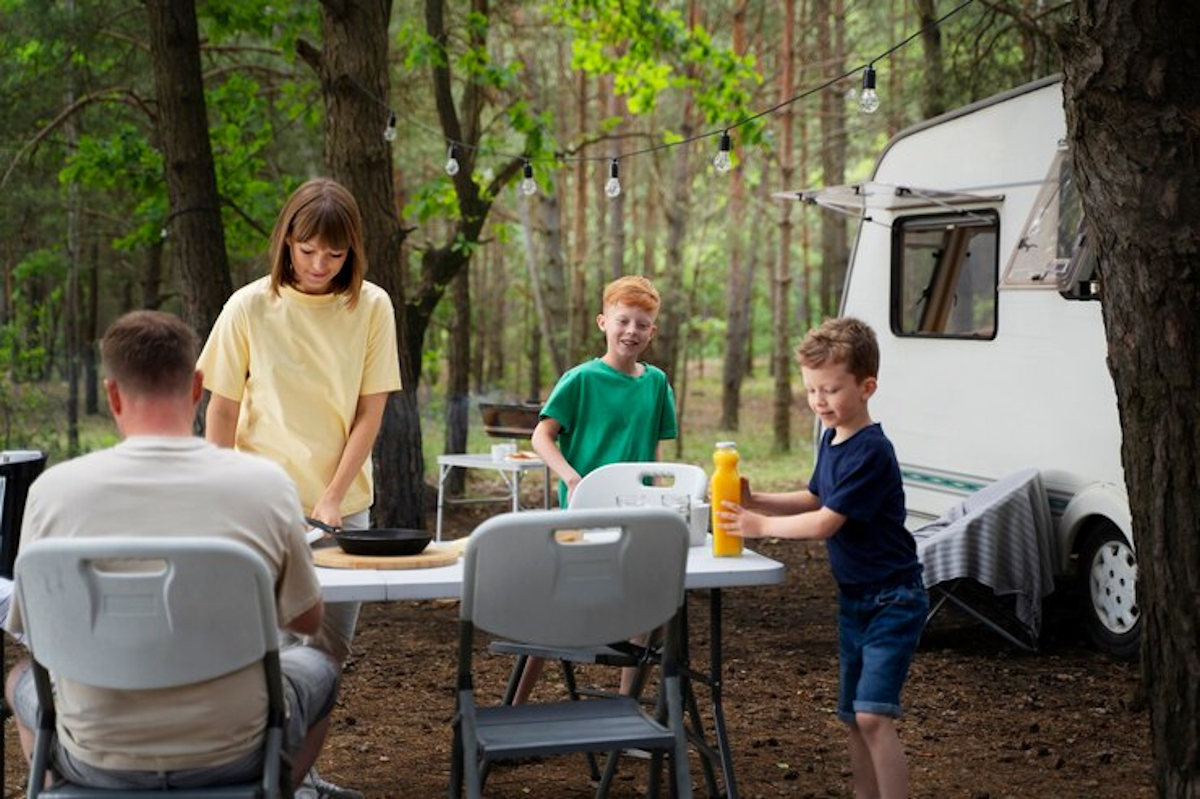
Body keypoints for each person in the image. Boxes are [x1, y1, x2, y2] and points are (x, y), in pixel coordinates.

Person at [4, 310, 338, 794]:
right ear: (197, 387)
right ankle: (273, 789)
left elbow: (37, 632)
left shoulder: (53, 492)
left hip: (97, 754)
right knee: (321, 666)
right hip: (234, 750)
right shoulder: (264, 486)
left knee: (19, 679)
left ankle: (59, 789)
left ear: (112, 393)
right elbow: (307, 623)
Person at [718, 316, 927, 799]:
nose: (819, 401)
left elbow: (825, 522)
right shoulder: (832, 440)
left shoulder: (871, 451)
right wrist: (759, 499)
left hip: (893, 599)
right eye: (812, 391)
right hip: (855, 600)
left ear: (867, 386)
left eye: (830, 390)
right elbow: (815, 497)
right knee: (854, 718)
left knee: (874, 714)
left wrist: (760, 528)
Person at [198, 177, 402, 665]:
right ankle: (267, 745)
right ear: (287, 240)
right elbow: (221, 409)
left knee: (329, 655)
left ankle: (298, 745)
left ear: (351, 251)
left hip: (342, 509)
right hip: (260, 507)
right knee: (265, 652)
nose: (318, 265)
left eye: (333, 255)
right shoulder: (247, 306)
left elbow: (369, 413)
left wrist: (332, 498)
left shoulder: (373, 306)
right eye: (307, 250)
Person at [519, 274, 678, 702]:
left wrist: (663, 495)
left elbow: (654, 455)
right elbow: (541, 435)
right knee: (559, 606)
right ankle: (517, 704)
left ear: (652, 331)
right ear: (602, 322)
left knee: (652, 600)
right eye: (623, 321)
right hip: (584, 513)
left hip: (635, 514)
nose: (632, 331)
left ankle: (629, 704)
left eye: (642, 324)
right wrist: (571, 477)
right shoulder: (582, 380)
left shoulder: (657, 383)